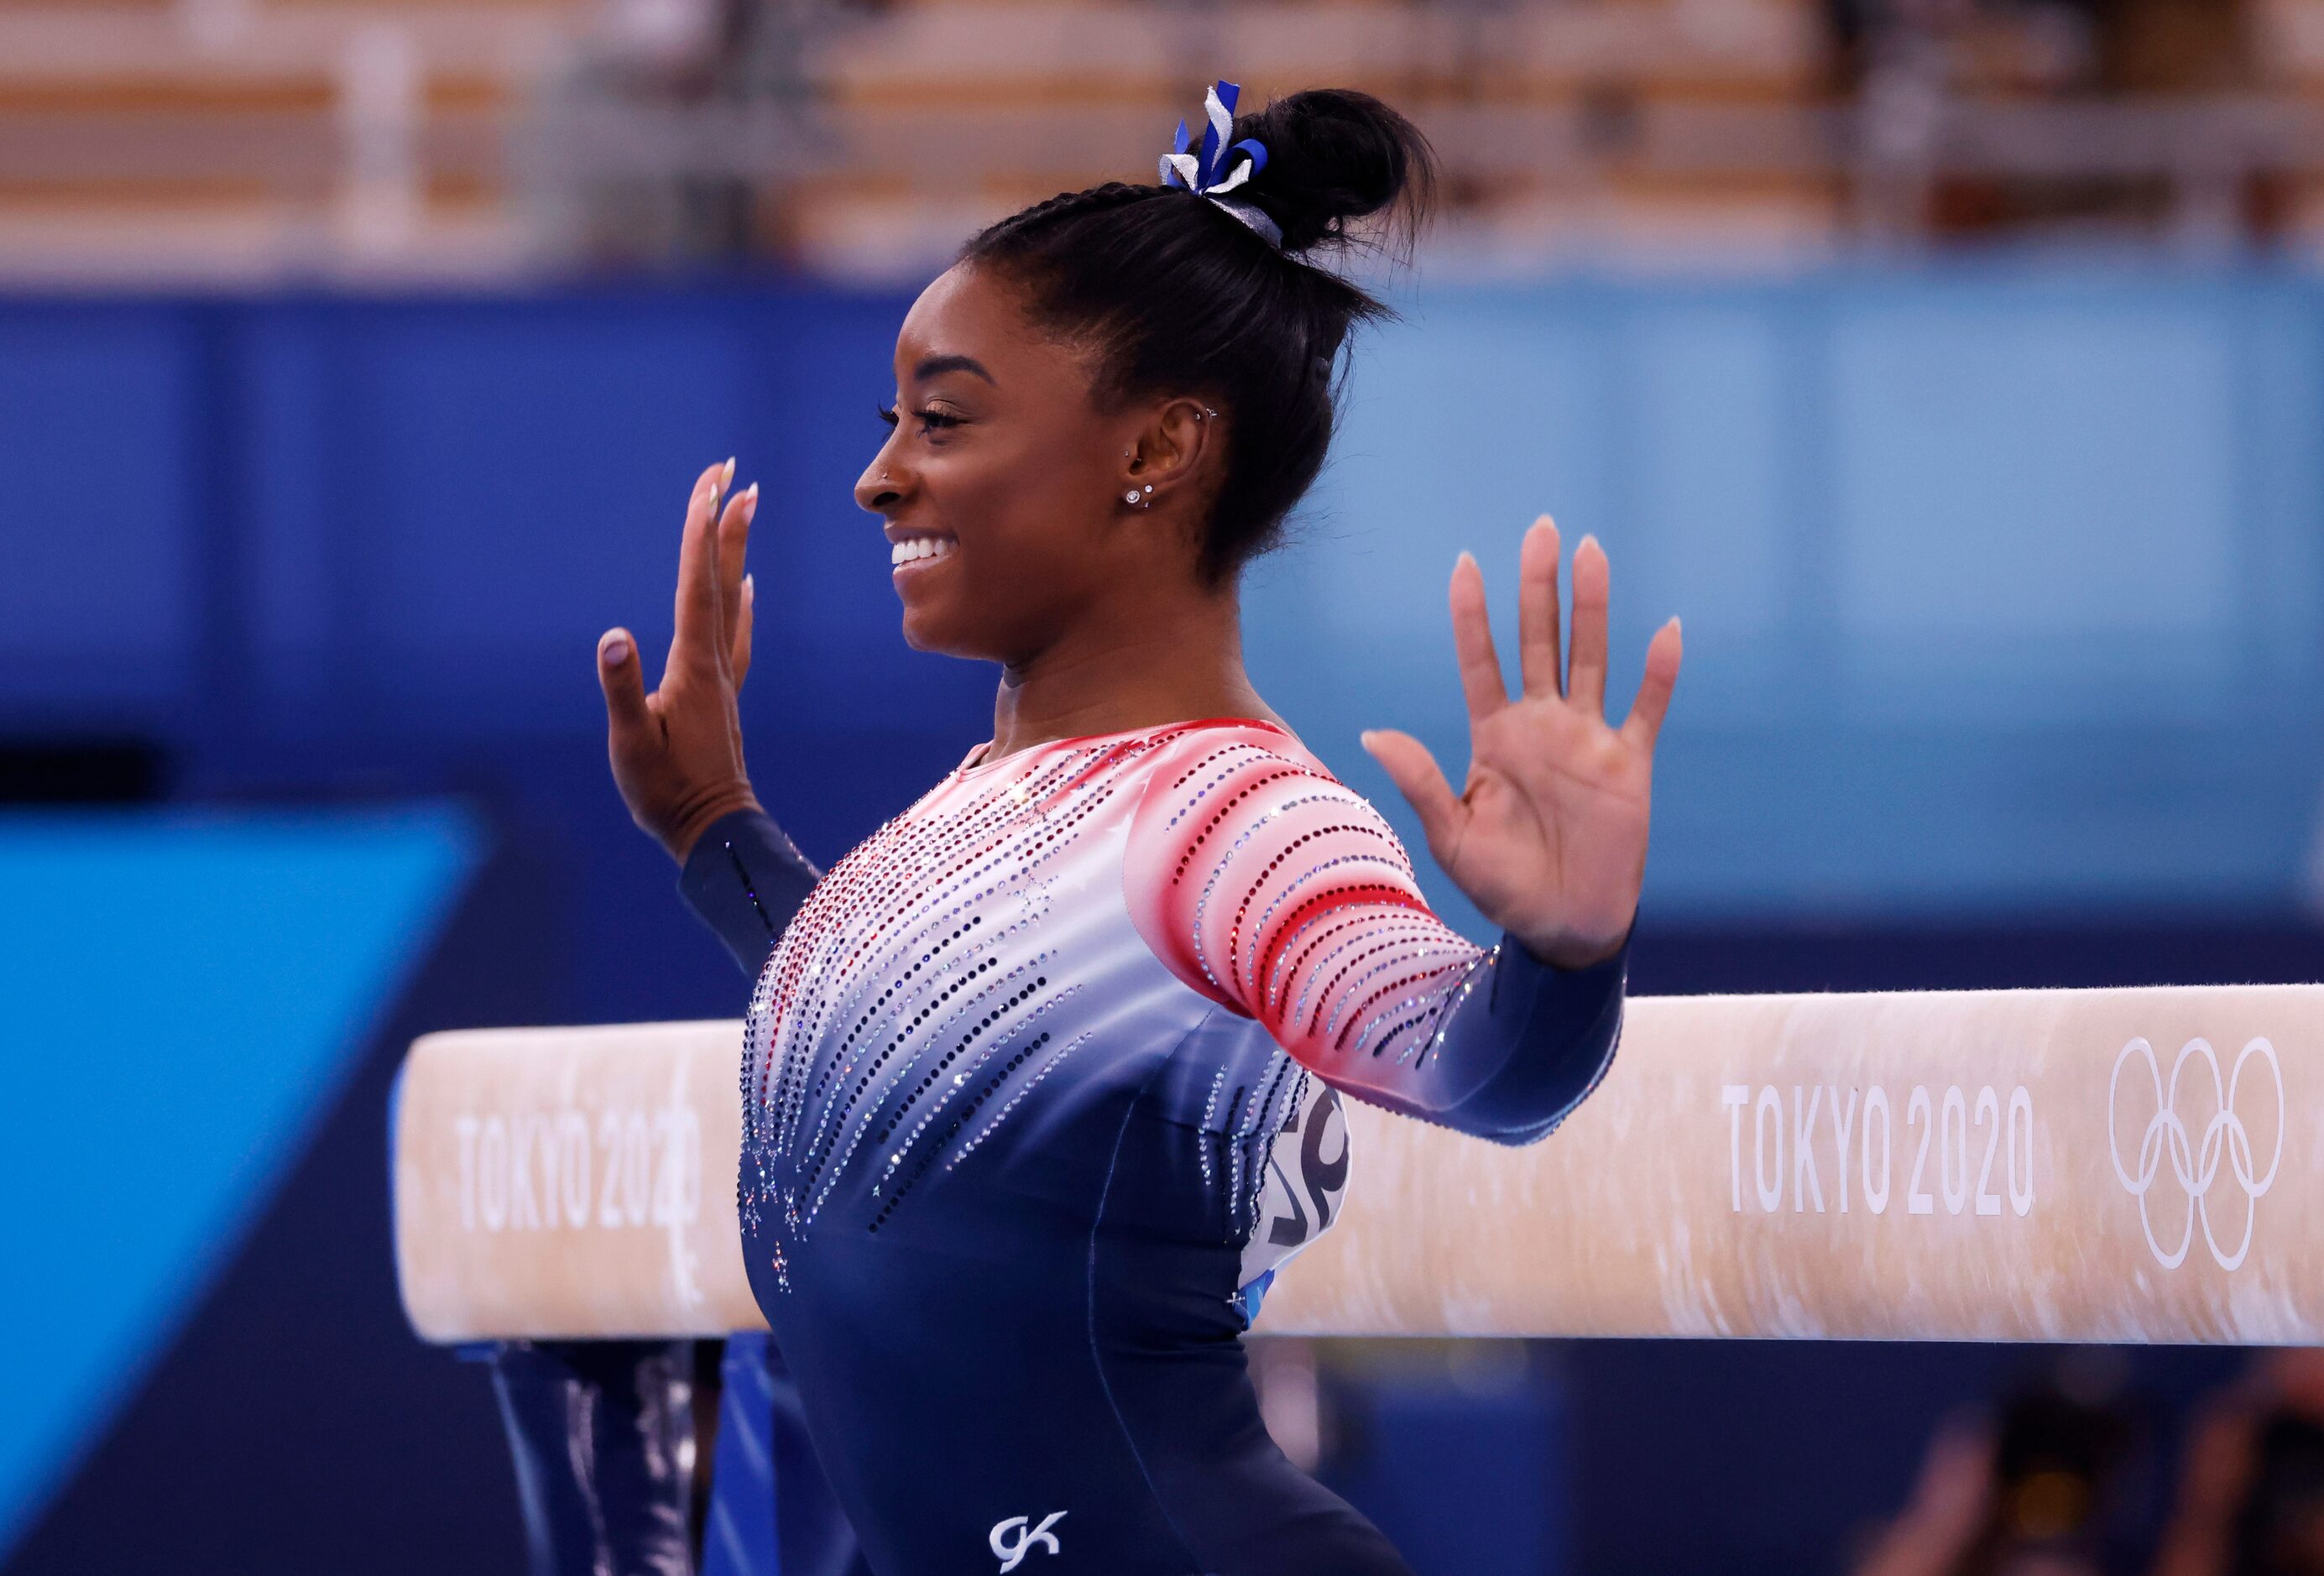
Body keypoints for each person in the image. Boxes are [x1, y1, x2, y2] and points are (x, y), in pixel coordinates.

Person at [592, 81, 1682, 1575]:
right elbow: (919, 1040)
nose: (877, 474)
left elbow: (1474, 1072)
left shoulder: (1235, 820)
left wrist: (1559, 947)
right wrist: (710, 824)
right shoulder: (981, 810)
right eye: (890, 421)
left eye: (944, 417)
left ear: (1155, 450)